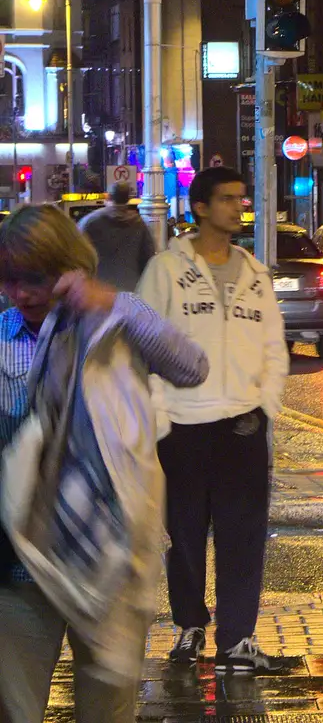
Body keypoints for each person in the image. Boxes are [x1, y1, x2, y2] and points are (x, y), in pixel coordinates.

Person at [0, 206, 208, 723]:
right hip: (20, 565)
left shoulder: (116, 321)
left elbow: (191, 367)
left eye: (35, 278)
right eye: (7, 280)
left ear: (68, 268)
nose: (20, 294)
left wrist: (113, 304)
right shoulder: (2, 334)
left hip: (109, 559)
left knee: (109, 710)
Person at [136, 166, 291, 676]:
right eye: (227, 199)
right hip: (181, 425)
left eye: (241, 199)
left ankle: (238, 638)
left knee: (243, 536)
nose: (237, 208)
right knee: (183, 535)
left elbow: (274, 346)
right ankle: (189, 627)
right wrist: (159, 414)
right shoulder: (165, 268)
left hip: (241, 426)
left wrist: (264, 405)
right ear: (200, 207)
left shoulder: (254, 271)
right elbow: (144, 342)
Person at [78, 182, 154, 293]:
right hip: (130, 291)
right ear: (128, 198)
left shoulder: (90, 222)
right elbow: (148, 258)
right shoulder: (139, 224)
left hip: (98, 292)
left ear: (108, 196)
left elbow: (77, 254)